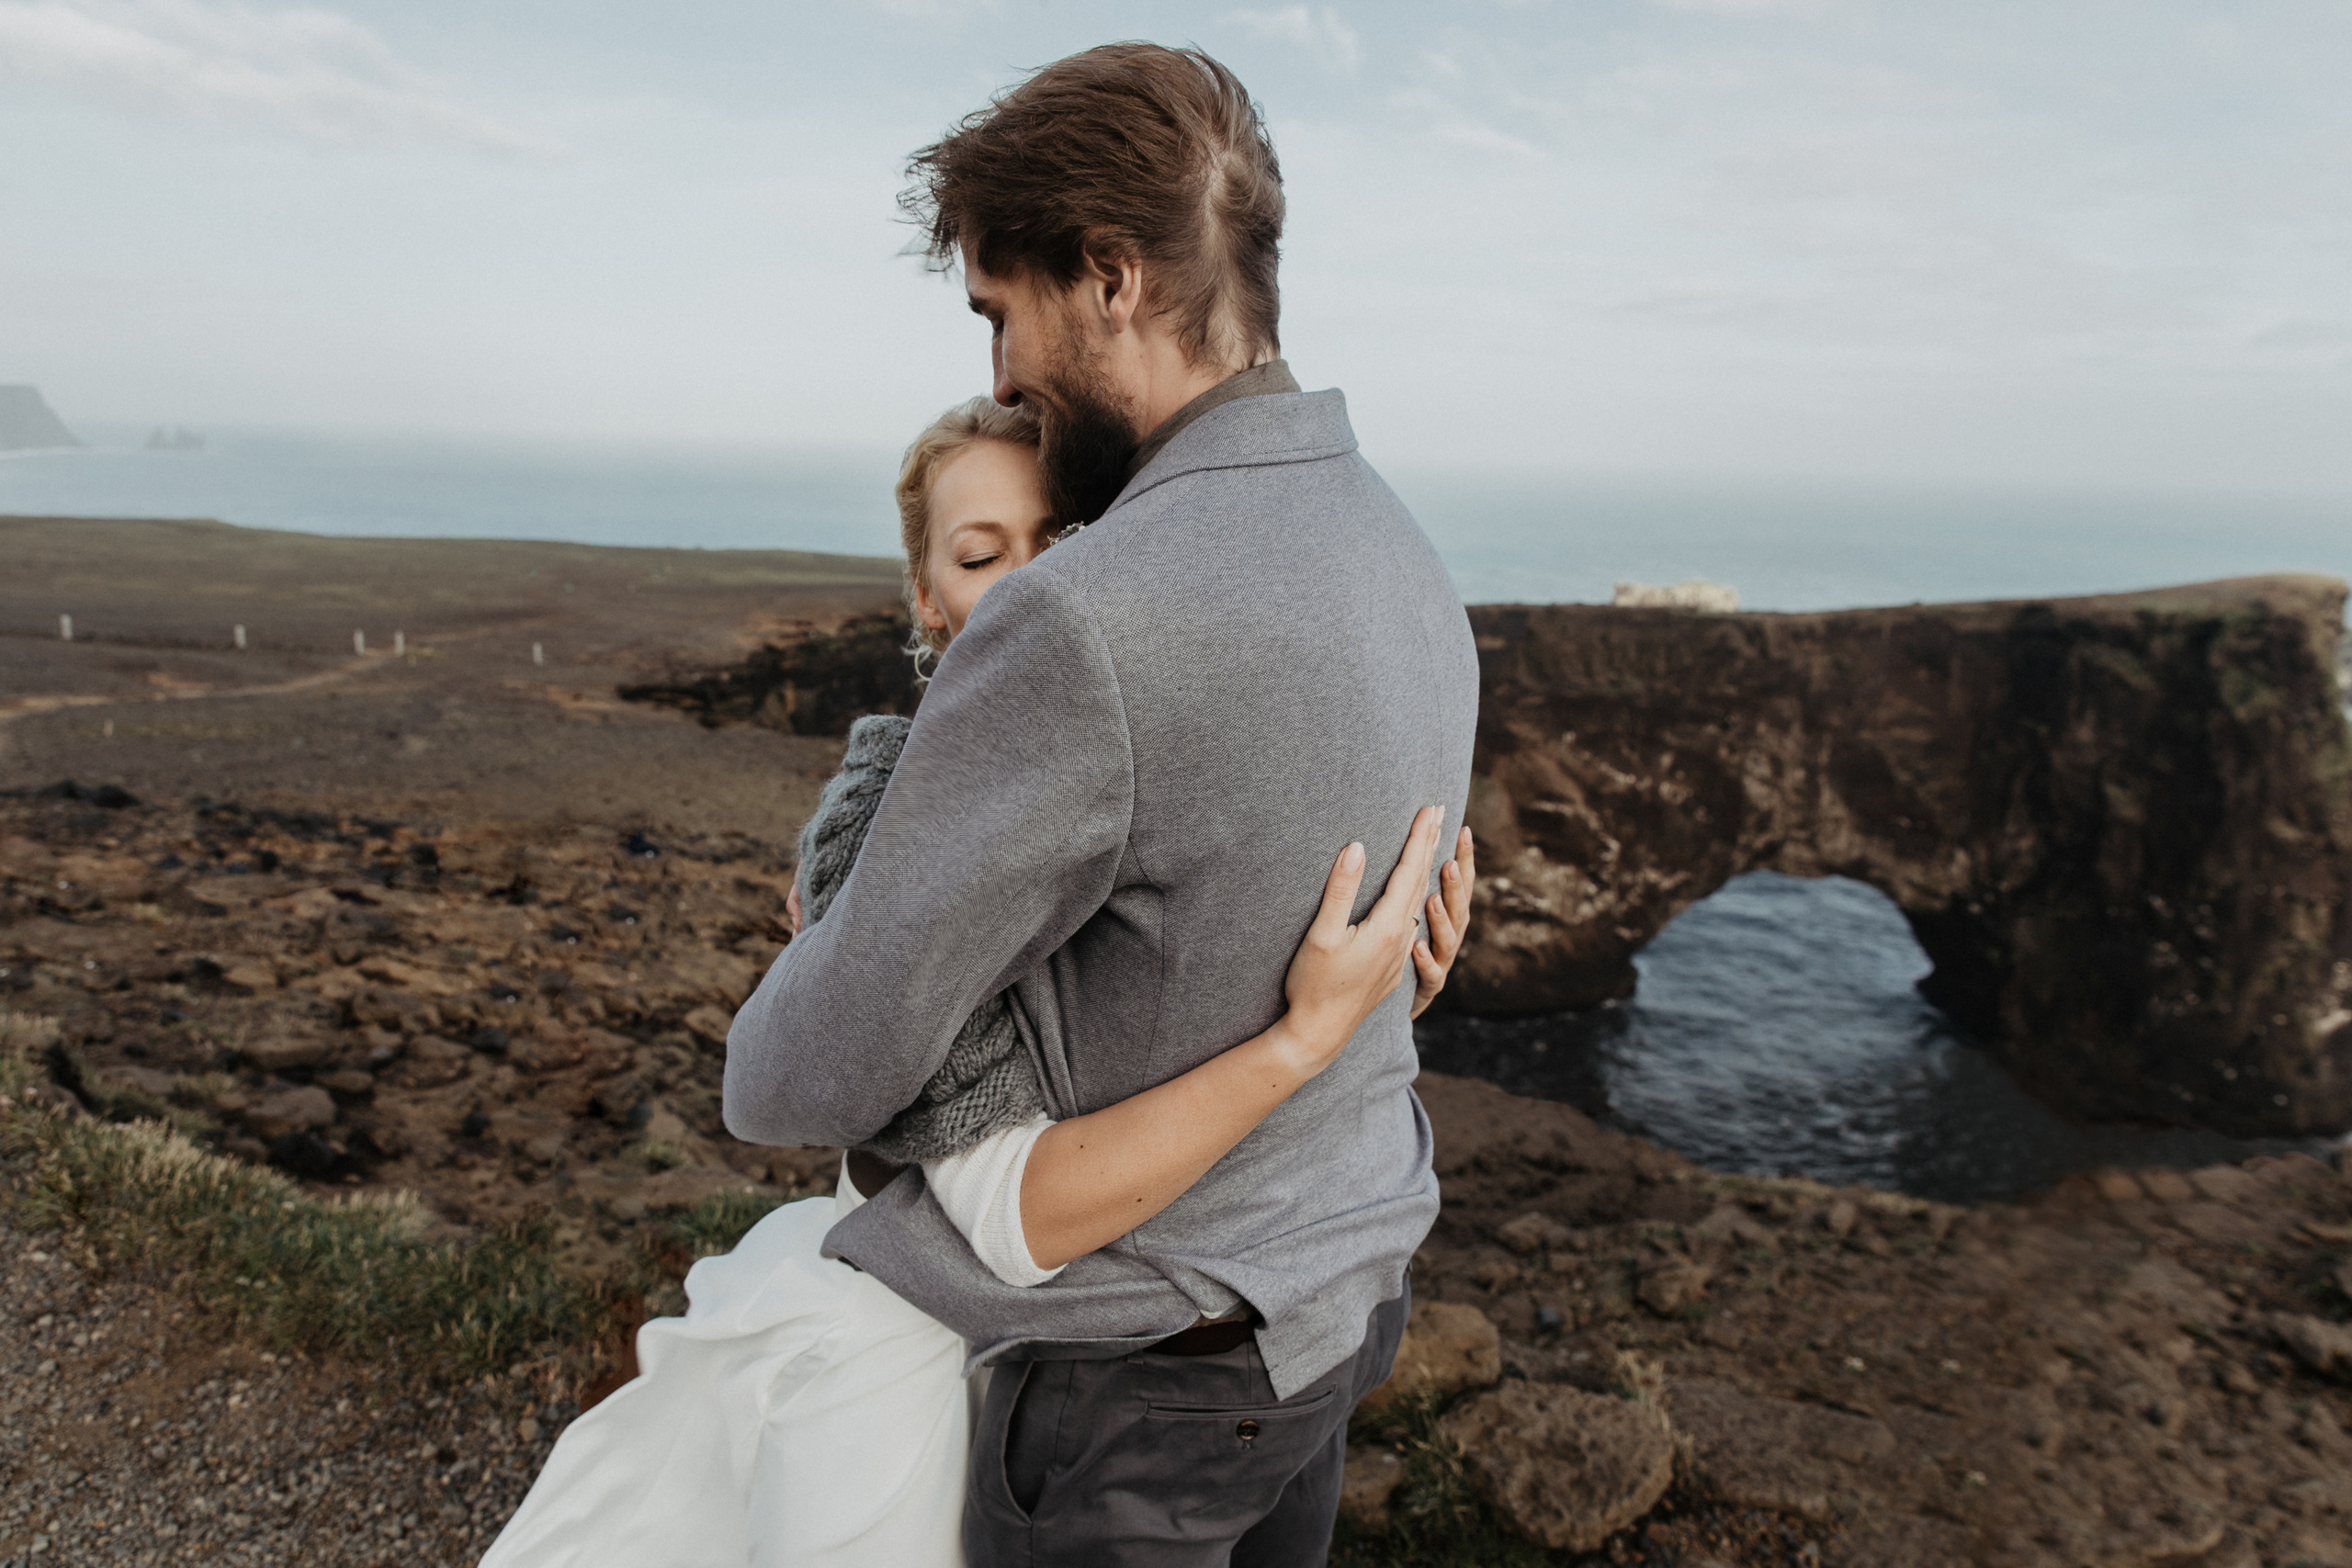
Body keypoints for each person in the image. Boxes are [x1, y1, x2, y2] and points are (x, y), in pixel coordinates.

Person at [479, 398, 1476, 1568]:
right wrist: (1306, 1042)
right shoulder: (884, 840)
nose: (1018, 586)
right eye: (976, 554)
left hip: (1281, 1335)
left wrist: (1387, 998)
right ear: (926, 598)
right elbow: (1014, 1214)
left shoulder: (1151, 743)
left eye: (1055, 541)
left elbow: (1150, 1003)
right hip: (994, 1366)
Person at [725, 42, 1482, 1567]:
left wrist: (839, 946)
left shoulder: (1079, 618)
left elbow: (789, 1083)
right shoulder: (1400, 546)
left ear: (1111, 275)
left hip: (1152, 1379)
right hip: (1340, 1311)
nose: (1001, 370)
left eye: (1002, 312)